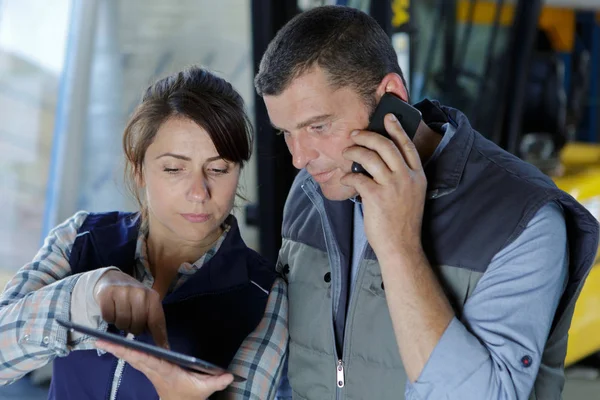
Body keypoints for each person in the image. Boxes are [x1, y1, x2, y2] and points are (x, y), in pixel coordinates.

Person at [253, 5, 599, 400]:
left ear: (390, 98)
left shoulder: (523, 219)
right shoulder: (310, 193)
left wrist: (399, 245)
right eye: (286, 133)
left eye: (318, 126)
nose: (299, 158)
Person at [0, 66, 288, 400]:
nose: (199, 192)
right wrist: (86, 293)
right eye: (174, 168)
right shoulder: (79, 238)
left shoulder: (266, 295)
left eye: (218, 169)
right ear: (138, 168)